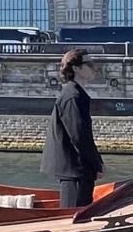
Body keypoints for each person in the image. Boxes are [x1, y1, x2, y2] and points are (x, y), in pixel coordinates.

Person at [43, 48, 104, 210]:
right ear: (76, 68)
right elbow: (79, 136)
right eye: (89, 64)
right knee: (73, 215)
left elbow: (82, 135)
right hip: (75, 170)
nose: (94, 68)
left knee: (77, 213)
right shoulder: (73, 96)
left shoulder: (74, 94)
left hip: (76, 169)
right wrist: (96, 163)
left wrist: (96, 162)